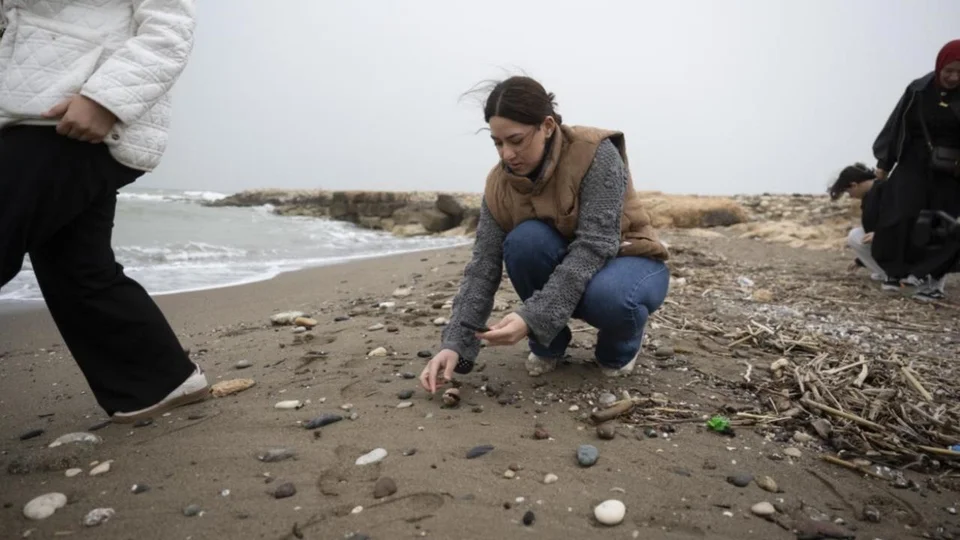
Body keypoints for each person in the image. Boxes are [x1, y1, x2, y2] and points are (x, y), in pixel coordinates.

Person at [0, 0, 208, 422]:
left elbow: (170, 24)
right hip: (32, 112)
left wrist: (105, 99)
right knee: (76, 268)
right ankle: (157, 382)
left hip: (72, 114)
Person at [420, 76, 671, 393]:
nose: (507, 154)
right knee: (524, 241)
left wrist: (531, 317)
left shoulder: (595, 153)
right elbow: (483, 265)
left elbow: (595, 247)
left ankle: (619, 349)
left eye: (516, 140)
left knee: (611, 297)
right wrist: (455, 343)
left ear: (548, 126)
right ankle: (549, 343)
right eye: (498, 143)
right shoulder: (498, 185)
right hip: (567, 269)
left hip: (628, 260)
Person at [869, 39, 960, 301]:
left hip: (951, 170)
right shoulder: (919, 89)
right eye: (949, 71)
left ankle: (928, 277)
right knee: (898, 215)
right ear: (939, 66)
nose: (953, 77)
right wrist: (884, 164)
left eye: (959, 73)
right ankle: (894, 272)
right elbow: (897, 125)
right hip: (914, 161)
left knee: (941, 222)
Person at [827, 163, 899, 290]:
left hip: (899, 242)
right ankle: (887, 272)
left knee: (855, 235)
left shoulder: (884, 190)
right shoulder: (871, 194)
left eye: (848, 191)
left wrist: (882, 234)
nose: (850, 196)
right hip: (888, 240)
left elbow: (898, 219)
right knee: (857, 234)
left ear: (854, 185)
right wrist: (860, 261)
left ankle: (895, 274)